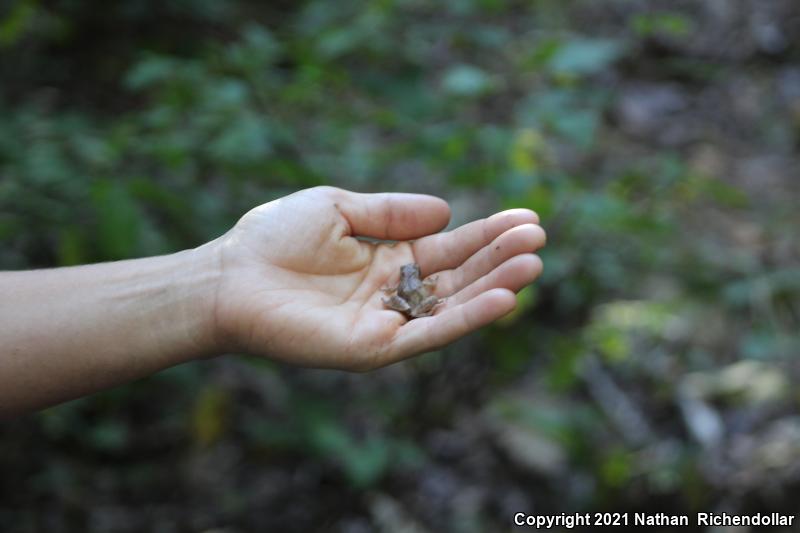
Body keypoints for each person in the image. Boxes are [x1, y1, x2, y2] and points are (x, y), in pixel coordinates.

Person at [0, 186, 546, 417]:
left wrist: (215, 281)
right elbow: (403, 289)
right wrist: (219, 279)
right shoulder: (400, 281)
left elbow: (410, 291)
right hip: (399, 295)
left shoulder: (408, 283)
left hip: (405, 296)